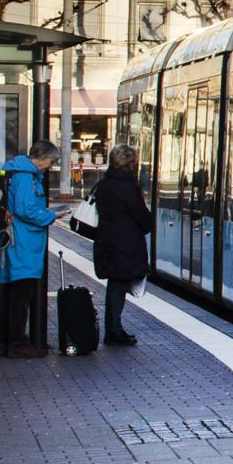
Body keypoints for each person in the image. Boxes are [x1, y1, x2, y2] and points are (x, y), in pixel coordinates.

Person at [0, 141, 58, 358]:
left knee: (12, 295)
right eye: (50, 161)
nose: (50, 166)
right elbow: (25, 210)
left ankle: (6, 341)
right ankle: (16, 343)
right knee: (21, 297)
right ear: (41, 157)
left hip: (17, 242)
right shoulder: (25, 176)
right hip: (23, 244)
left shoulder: (17, 172)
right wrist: (51, 215)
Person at [90, 145, 152, 347]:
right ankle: (114, 330)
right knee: (118, 286)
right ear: (130, 163)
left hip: (107, 241)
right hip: (125, 244)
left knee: (116, 285)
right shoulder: (128, 187)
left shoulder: (104, 184)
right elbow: (142, 217)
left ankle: (114, 328)